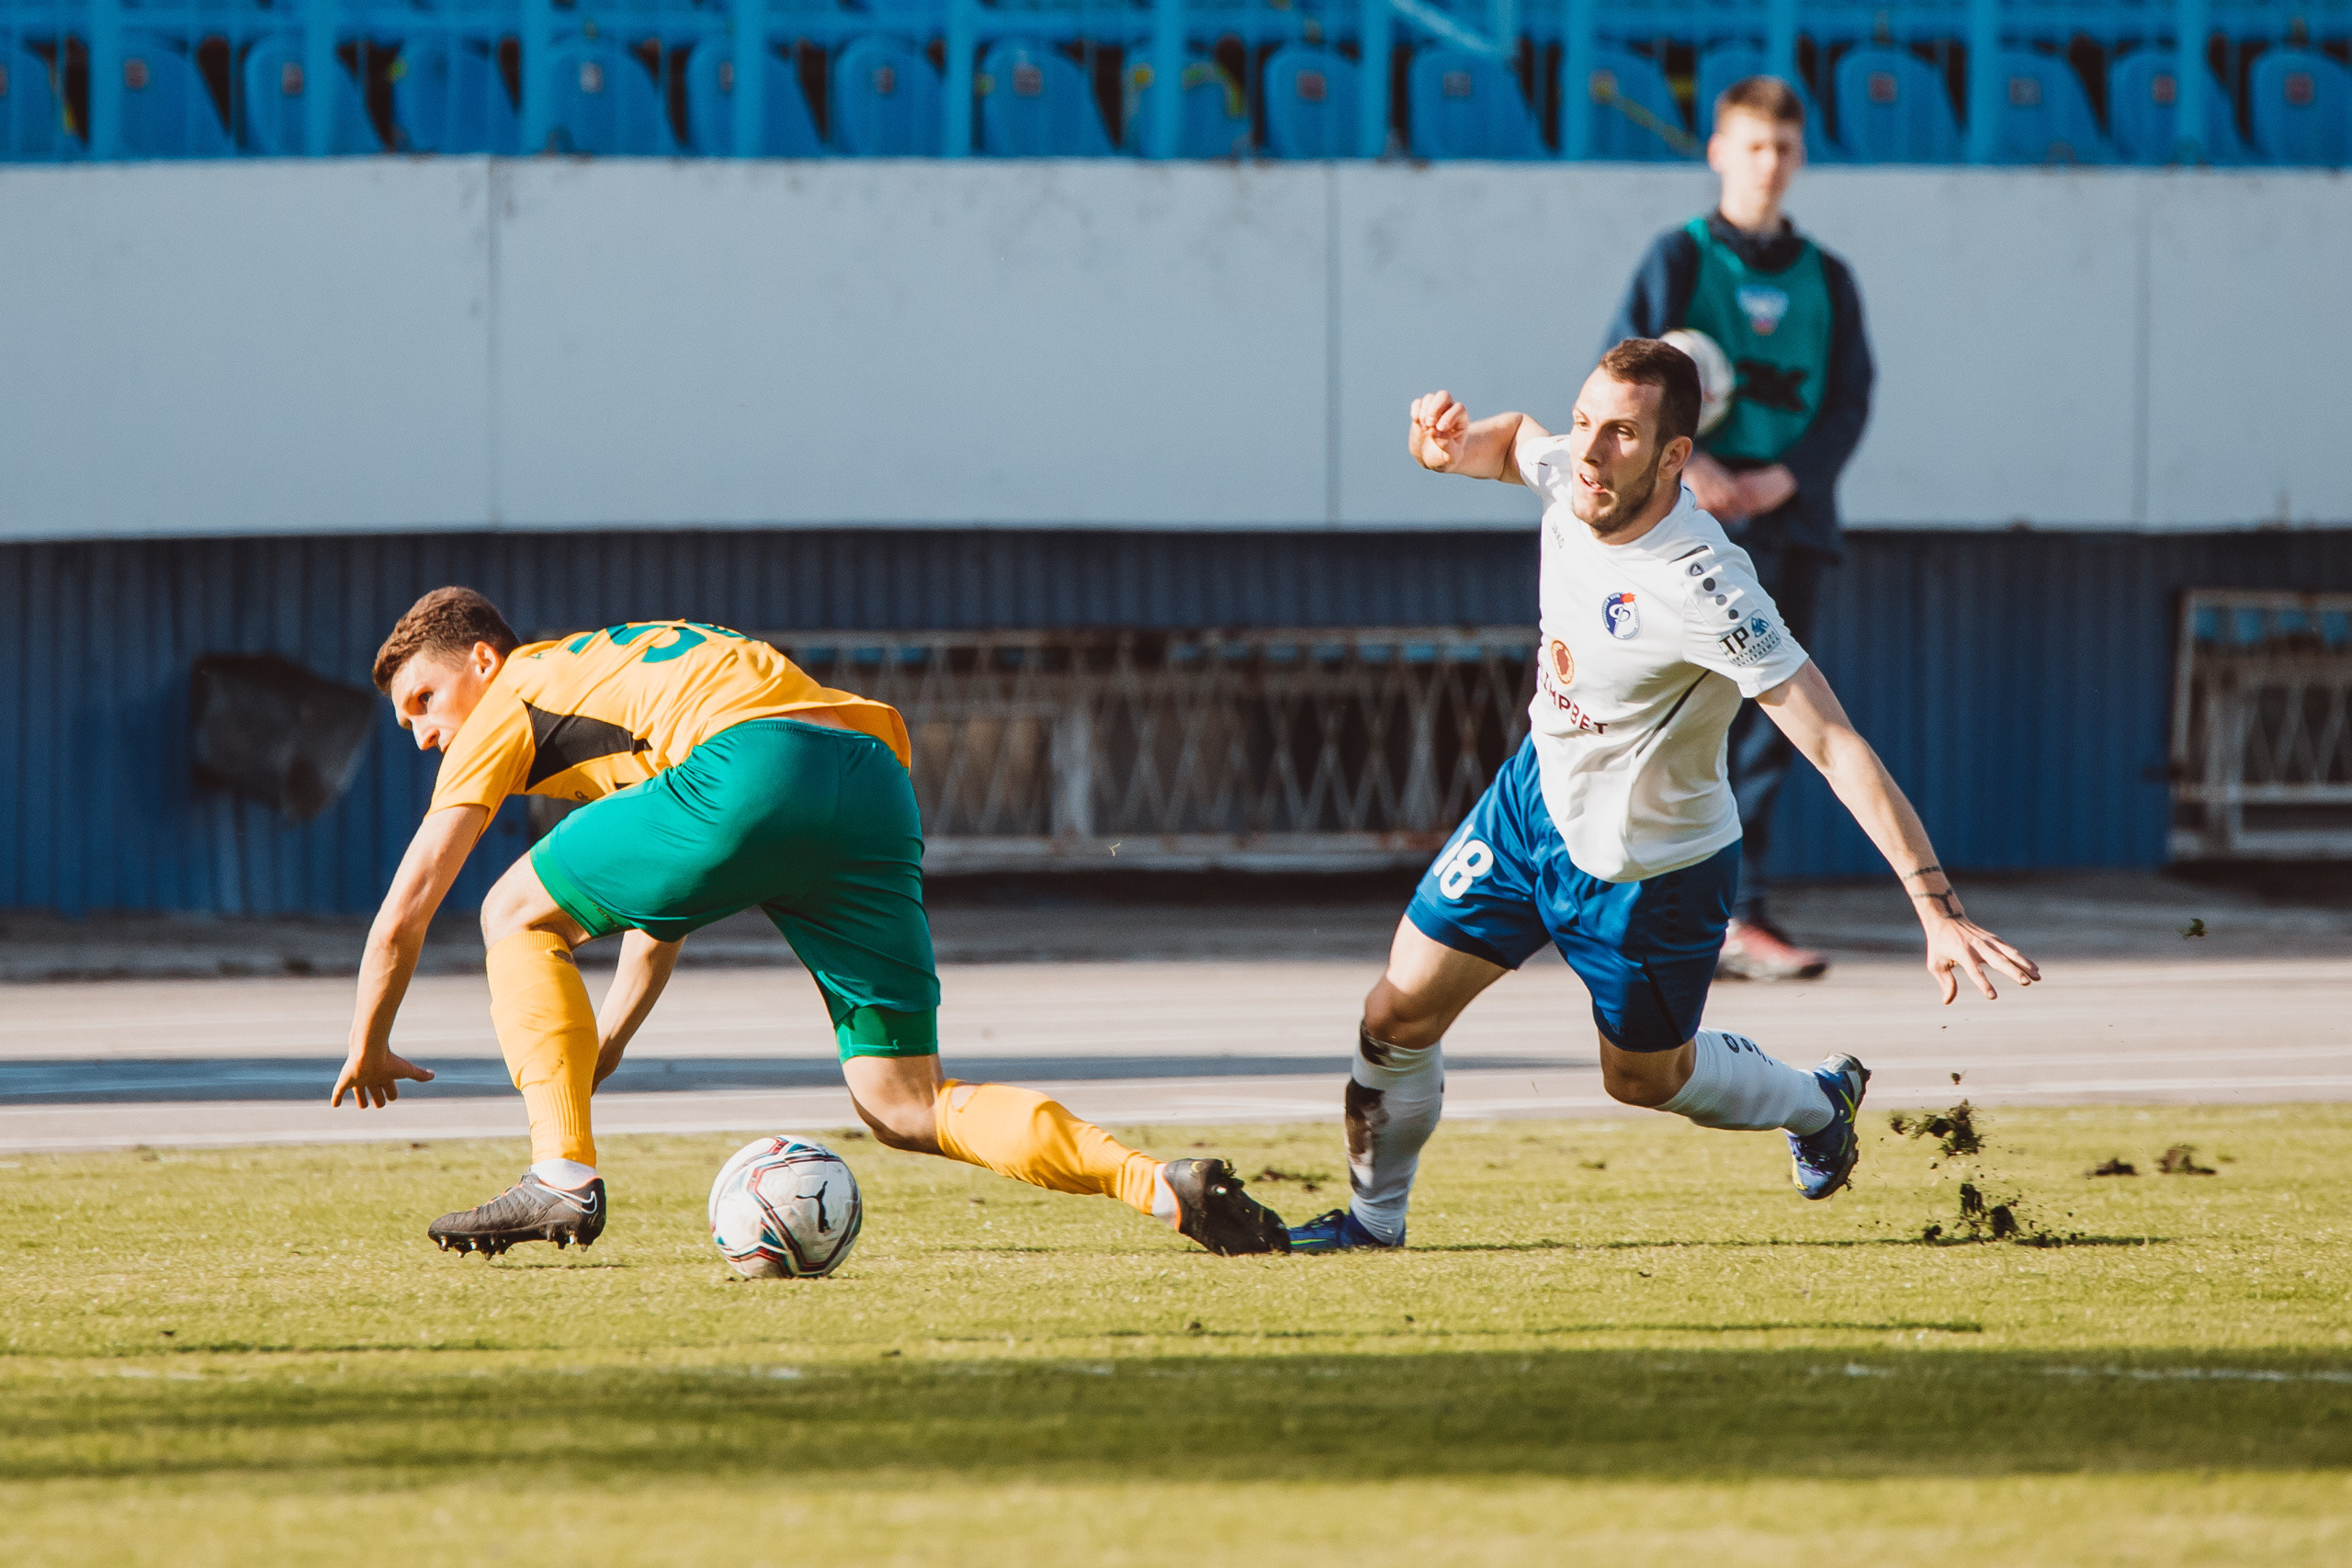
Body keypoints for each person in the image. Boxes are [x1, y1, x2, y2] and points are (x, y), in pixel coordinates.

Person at [1285, 342, 2036, 1254]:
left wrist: (1937, 908)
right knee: (1393, 1016)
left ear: (1673, 456)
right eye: (1586, 420)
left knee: (1642, 1080)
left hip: (1652, 872)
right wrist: (1443, 448)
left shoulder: (1706, 587)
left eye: (1623, 435)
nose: (1590, 452)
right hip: (1531, 810)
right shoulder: (1573, 466)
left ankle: (1815, 1101)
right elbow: (1517, 441)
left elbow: (1833, 741)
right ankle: (1372, 1223)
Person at [332, 589, 1291, 1258]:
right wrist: (609, 1037)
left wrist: (370, 1043)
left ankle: (560, 1174)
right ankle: (1156, 1185)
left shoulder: (514, 694)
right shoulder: (608, 678)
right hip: (867, 779)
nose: (420, 731)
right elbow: (662, 910)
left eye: (423, 699)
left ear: (483, 661)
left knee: (509, 909)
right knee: (903, 1103)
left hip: (756, 768)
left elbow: (408, 908)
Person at [1602, 74, 1874, 981]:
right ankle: (1635, 904)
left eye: (1784, 150)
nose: (1768, 165)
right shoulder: (1676, 259)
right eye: (1752, 147)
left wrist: (1783, 478)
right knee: (1672, 712)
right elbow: (1622, 376)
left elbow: (1848, 400)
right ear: (1718, 151)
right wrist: (1699, 468)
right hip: (1687, 526)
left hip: (1787, 529)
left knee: (1772, 727)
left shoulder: (1828, 278)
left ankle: (1737, 913)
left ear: (1801, 158)